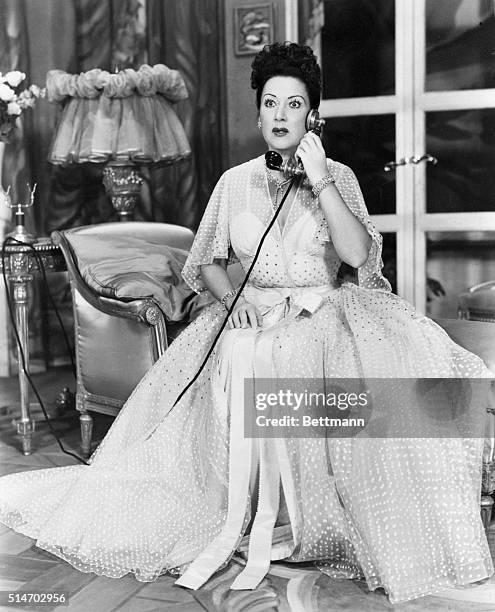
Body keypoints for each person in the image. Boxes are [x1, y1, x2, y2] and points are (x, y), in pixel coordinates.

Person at [0, 42, 493, 604]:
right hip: (249, 320)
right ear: (259, 112)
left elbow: (357, 257)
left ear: (313, 116)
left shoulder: (339, 177)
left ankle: (315, 517)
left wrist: (320, 178)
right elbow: (203, 260)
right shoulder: (234, 181)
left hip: (322, 317)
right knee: (228, 373)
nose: (281, 116)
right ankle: (239, 508)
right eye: (271, 103)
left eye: (295, 104)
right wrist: (236, 298)